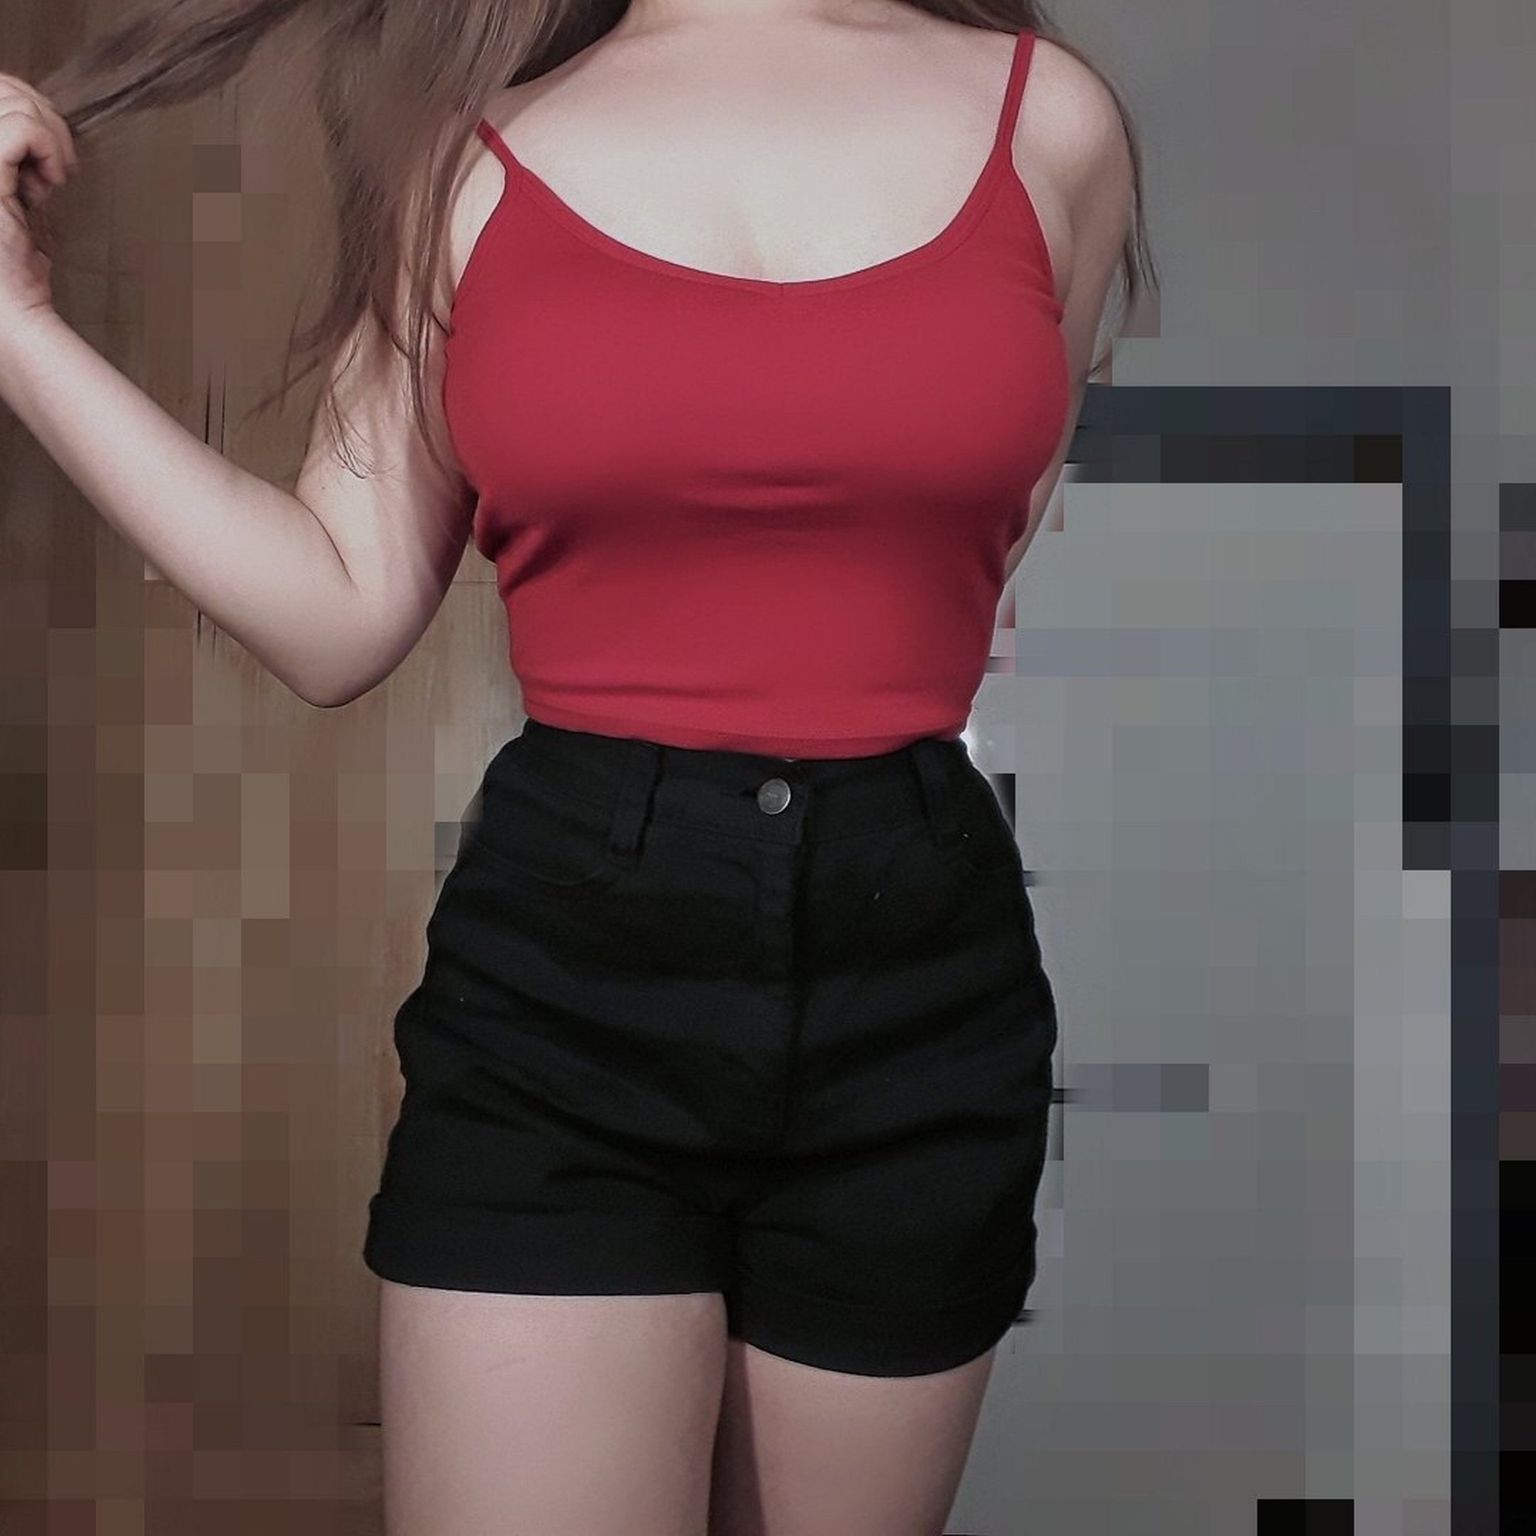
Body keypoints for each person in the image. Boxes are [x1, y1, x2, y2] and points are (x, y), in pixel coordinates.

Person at [0, 1, 1143, 1530]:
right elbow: (339, 605)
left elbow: (969, 543)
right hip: (568, 981)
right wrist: (16, 329)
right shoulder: (459, 155)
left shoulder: (1052, 125)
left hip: (919, 976)